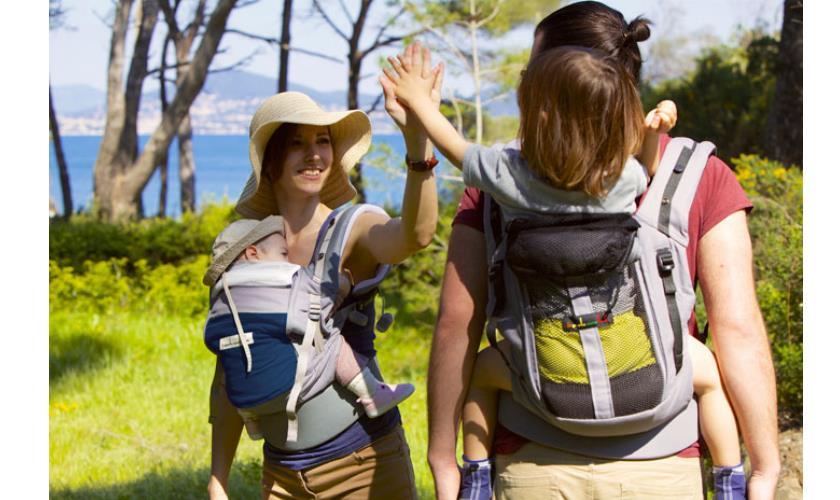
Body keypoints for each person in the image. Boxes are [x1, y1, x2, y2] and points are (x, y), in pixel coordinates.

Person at [424, 2, 780, 500]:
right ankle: (731, 477)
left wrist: (443, 459)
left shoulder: (499, 186)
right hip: (662, 465)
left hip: (531, 461)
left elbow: (455, 324)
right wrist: (764, 465)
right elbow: (736, 330)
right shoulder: (696, 177)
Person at [207, 45, 443, 500]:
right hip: (281, 474)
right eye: (297, 142)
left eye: (322, 142)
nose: (313, 154)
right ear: (271, 161)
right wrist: (219, 478)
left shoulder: (351, 228)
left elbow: (415, 234)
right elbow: (229, 365)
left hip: (362, 465)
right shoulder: (245, 248)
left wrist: (419, 146)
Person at [202, 217, 415, 440]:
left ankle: (252, 421)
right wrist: (342, 284)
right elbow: (318, 298)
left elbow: (211, 340)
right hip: (286, 389)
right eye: (284, 253)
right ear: (253, 254)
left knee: (234, 358)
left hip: (245, 399)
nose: (289, 260)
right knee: (332, 342)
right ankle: (373, 393)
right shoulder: (280, 279)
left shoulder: (221, 298)